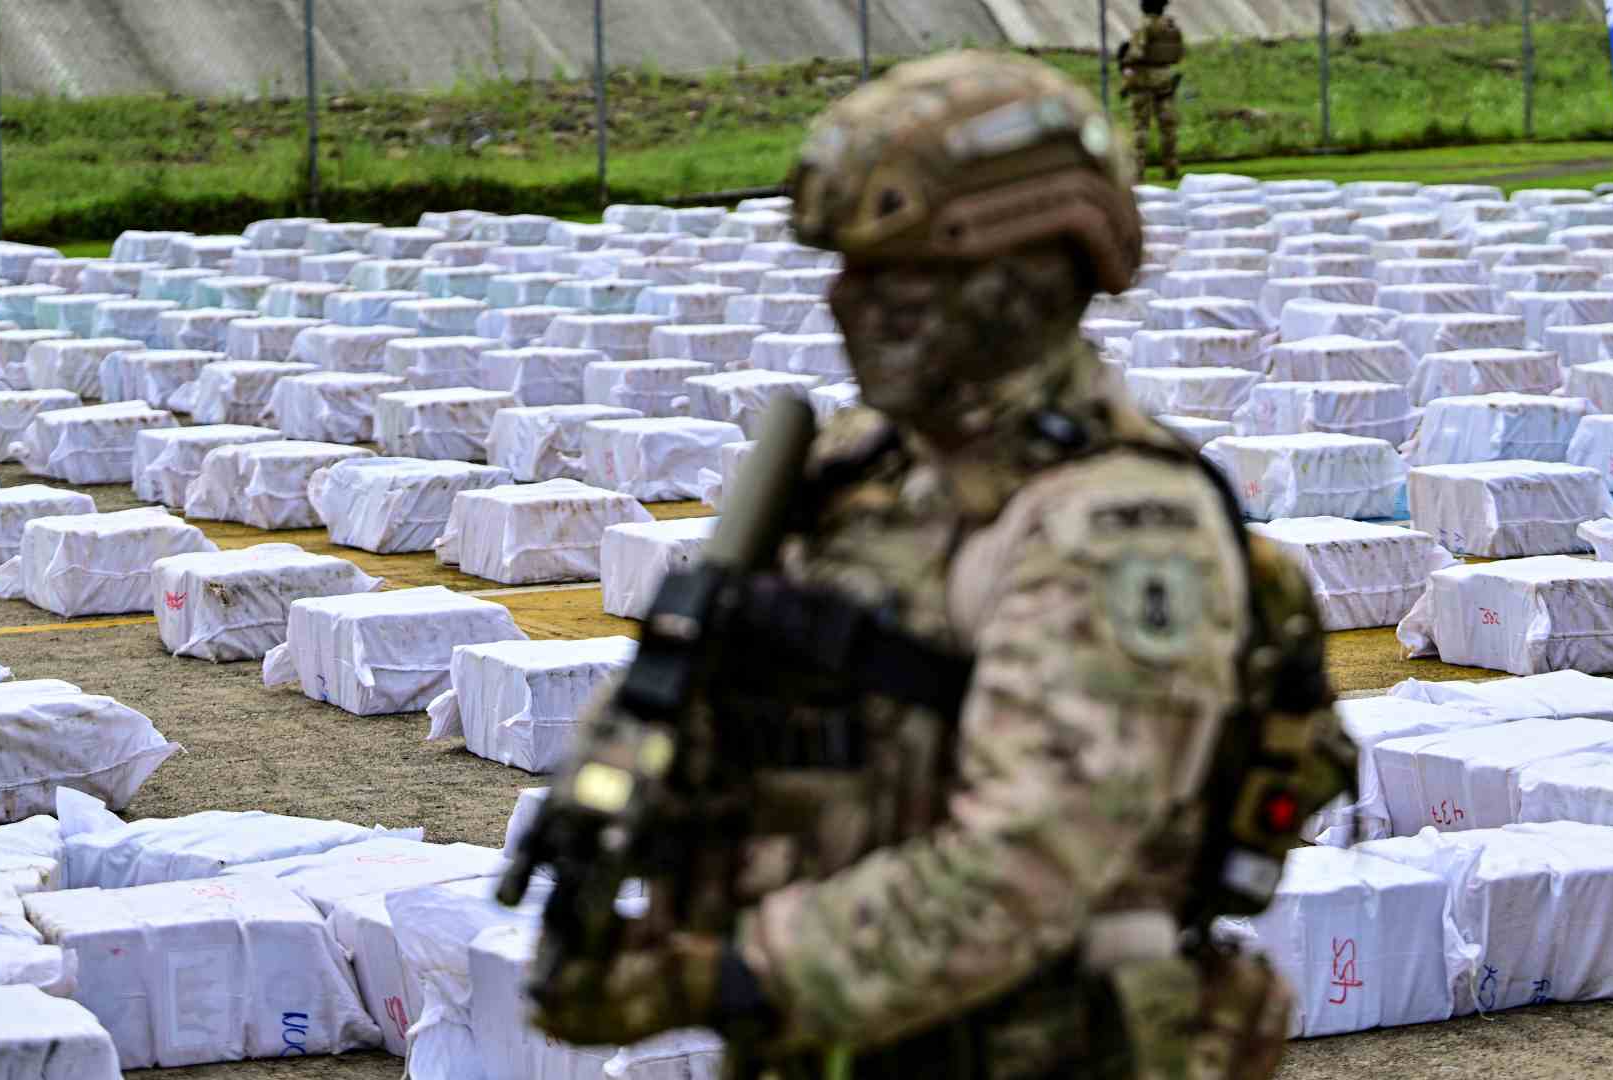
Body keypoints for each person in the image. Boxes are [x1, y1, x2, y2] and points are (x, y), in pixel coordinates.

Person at [517, 51, 1350, 1079]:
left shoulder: (1119, 528)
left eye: (895, 272)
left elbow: (1026, 863)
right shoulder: (856, 467)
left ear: (1022, 273)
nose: (847, 302)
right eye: (847, 269)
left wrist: (722, 977)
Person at [1120, 0, 1185, 180]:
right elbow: (1179, 54)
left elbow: (1136, 54)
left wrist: (1124, 60)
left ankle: (1137, 172)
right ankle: (1171, 169)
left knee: (1140, 127)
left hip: (1144, 80)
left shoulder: (1145, 26)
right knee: (1168, 128)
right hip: (1165, 79)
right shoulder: (1171, 27)